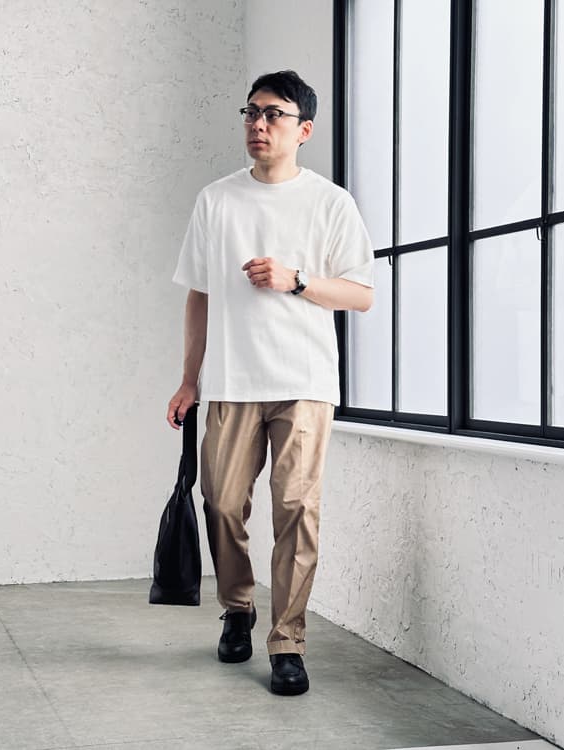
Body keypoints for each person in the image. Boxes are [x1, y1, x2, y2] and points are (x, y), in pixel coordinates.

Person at [166, 70, 374, 696]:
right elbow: (199, 296)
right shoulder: (216, 200)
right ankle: (238, 607)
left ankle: (287, 642)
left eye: (274, 114)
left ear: (303, 129)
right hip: (232, 381)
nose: (258, 124)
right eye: (251, 112)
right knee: (222, 502)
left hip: (304, 382)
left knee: (296, 510)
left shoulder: (331, 203)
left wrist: (296, 280)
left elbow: (361, 294)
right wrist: (188, 379)